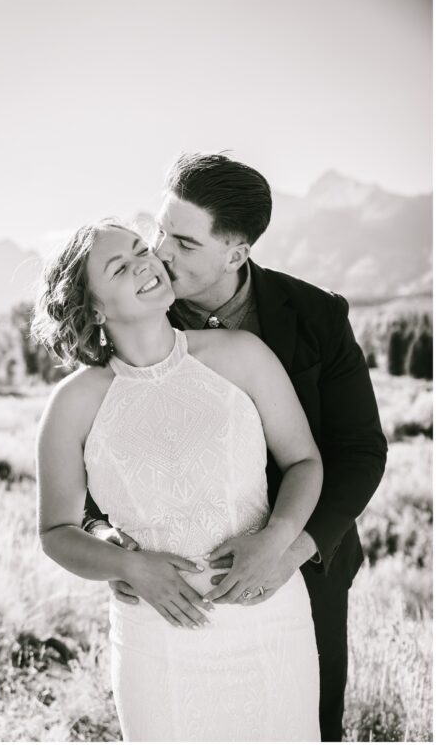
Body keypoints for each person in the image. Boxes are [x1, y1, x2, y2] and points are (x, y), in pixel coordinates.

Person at [84, 153, 387, 741]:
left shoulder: (318, 316)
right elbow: (95, 453)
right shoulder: (129, 314)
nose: (161, 254)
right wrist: (108, 542)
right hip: (170, 593)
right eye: (160, 231)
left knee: (309, 724)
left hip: (306, 565)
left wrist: (286, 547)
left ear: (236, 253)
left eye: (185, 243)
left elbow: (360, 451)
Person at [35, 219, 324, 740]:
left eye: (142, 249)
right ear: (93, 309)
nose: (145, 262)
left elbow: (305, 462)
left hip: (268, 622)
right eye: (119, 267)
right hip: (156, 641)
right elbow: (56, 531)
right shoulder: (73, 404)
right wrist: (127, 565)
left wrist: (275, 542)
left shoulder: (241, 355)